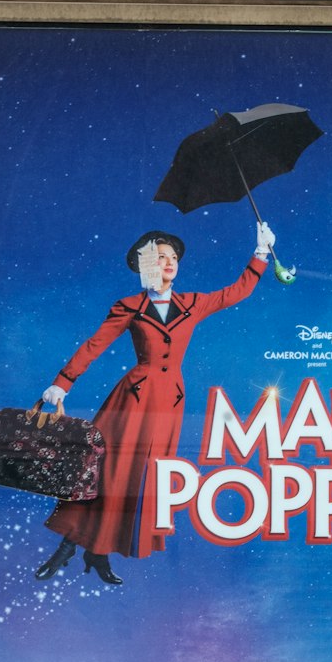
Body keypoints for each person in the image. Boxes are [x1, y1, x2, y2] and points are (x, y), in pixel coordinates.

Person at [33, 221, 274, 585]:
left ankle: (97, 553)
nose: (169, 262)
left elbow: (236, 291)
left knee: (143, 479)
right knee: (107, 473)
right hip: (132, 401)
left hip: (170, 402)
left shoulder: (193, 303)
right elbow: (94, 345)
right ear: (146, 265)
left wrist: (260, 253)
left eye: (173, 257)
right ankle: (69, 547)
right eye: (161, 257)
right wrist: (62, 383)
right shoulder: (130, 306)